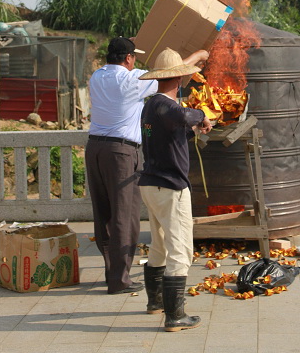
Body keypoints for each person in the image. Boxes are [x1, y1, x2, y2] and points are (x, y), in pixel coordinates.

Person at [86, 36, 209, 295]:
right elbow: (169, 76)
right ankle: (120, 280)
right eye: (133, 58)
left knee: (104, 214)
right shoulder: (131, 80)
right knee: (124, 216)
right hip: (120, 152)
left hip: (94, 148)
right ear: (129, 58)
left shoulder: (97, 76)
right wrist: (198, 55)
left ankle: (113, 273)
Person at [138, 47, 212, 332]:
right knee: (180, 251)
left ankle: (155, 303)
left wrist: (194, 128)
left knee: (159, 248)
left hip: (151, 184)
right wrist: (202, 114)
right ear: (179, 79)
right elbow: (182, 115)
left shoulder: (149, 105)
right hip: (170, 187)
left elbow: (175, 129)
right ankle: (175, 316)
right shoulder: (165, 105)